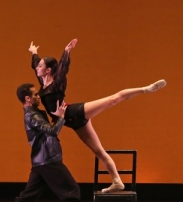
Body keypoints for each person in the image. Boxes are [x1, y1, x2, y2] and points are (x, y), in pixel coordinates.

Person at [29, 39, 166, 193]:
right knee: (99, 151)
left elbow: (63, 67)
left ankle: (146, 89)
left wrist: (67, 51)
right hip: (72, 123)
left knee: (112, 100)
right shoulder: (42, 80)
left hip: (73, 112)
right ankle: (117, 181)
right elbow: (35, 63)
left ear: (48, 70)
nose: (37, 67)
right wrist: (34, 52)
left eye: (40, 66)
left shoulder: (57, 83)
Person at [2, 84, 87, 202]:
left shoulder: (35, 113)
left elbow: (47, 130)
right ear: (28, 98)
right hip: (48, 160)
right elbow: (52, 131)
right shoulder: (32, 116)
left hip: (40, 161)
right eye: (35, 95)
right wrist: (61, 118)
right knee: (72, 190)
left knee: (27, 195)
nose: (38, 97)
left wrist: (55, 118)